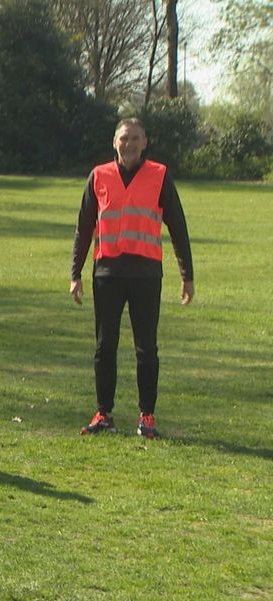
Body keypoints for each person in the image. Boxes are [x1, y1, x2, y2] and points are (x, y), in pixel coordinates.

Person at [71, 118, 194, 439]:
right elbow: (84, 228)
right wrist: (76, 273)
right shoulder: (99, 176)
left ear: (145, 142)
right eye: (124, 139)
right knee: (104, 347)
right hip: (107, 274)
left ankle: (147, 417)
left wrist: (187, 275)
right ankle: (104, 414)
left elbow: (178, 227)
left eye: (135, 139)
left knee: (146, 349)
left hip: (146, 274)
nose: (129, 144)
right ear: (115, 142)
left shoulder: (160, 176)